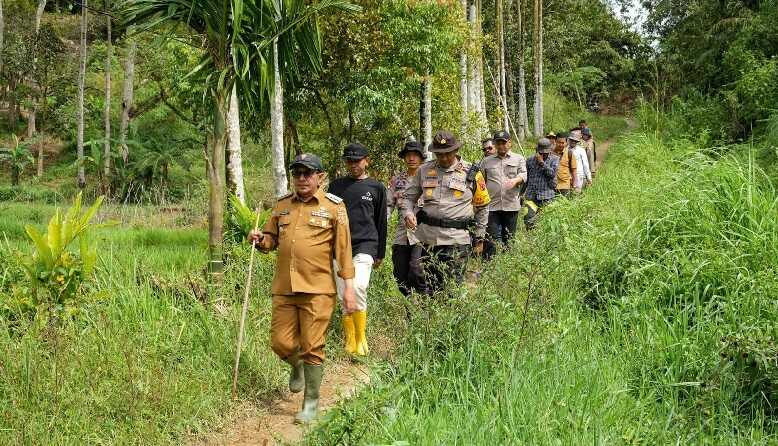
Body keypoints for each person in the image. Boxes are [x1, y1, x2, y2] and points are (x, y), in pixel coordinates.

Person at [249, 153, 356, 424]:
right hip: (285, 287)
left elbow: (343, 251)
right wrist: (260, 239)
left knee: (312, 345)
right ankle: (296, 364)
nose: (301, 178)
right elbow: (271, 239)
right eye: (297, 173)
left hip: (318, 289)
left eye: (307, 173)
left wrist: (349, 288)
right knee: (280, 342)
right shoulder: (282, 205)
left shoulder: (334, 207)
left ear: (320, 177)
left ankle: (310, 404)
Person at [401, 130, 490, 295]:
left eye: (447, 154)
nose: (443, 158)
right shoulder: (424, 170)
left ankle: (453, 317)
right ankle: (433, 318)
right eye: (439, 154)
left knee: (452, 288)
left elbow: (483, 206)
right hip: (428, 239)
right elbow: (408, 197)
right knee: (431, 285)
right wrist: (408, 213)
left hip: (456, 239)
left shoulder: (472, 172)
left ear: (456, 151)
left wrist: (479, 236)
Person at [328, 142, 387, 357]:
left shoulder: (376, 187)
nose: (353, 165)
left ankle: (362, 337)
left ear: (366, 161)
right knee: (345, 294)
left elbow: (381, 221)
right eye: (349, 161)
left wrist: (380, 252)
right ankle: (350, 339)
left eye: (357, 160)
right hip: (340, 247)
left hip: (366, 244)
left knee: (359, 286)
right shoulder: (335, 187)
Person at [387, 141, 426, 297]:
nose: (411, 158)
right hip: (402, 235)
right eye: (408, 155)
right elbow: (388, 205)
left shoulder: (430, 177)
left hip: (423, 233)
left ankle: (425, 303)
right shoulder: (397, 181)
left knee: (417, 270)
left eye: (415, 155)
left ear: (421, 158)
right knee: (400, 275)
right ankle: (410, 308)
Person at [480, 130, 526, 259]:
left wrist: (516, 180)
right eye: (498, 143)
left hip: (511, 205)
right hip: (492, 206)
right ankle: (489, 266)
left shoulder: (518, 159)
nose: (501, 146)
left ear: (509, 143)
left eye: (504, 143)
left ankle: (509, 264)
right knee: (491, 238)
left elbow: (524, 174)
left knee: (509, 238)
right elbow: (481, 181)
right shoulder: (486, 161)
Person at [523, 138, 560, 230]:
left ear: (550, 151)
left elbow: (552, 174)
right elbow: (526, 178)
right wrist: (521, 193)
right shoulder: (530, 160)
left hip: (547, 196)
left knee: (546, 221)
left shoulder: (555, 159)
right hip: (531, 196)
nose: (543, 154)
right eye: (541, 152)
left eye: (546, 152)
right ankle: (531, 239)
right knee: (528, 219)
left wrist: (542, 163)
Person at [553, 131, 577, 197]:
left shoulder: (570, 153)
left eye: (563, 143)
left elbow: (574, 171)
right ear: (555, 141)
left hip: (565, 186)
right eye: (559, 142)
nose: (561, 145)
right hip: (552, 186)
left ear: (566, 143)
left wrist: (574, 185)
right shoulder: (549, 153)